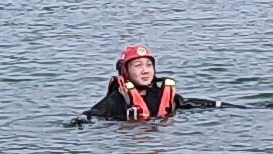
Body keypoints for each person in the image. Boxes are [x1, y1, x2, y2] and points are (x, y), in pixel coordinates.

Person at [81, 46, 218, 124]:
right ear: (125, 72)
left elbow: (194, 103)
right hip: (129, 140)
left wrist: (222, 105)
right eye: (138, 65)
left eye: (149, 65)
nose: (145, 70)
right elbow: (92, 114)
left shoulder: (161, 95)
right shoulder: (115, 99)